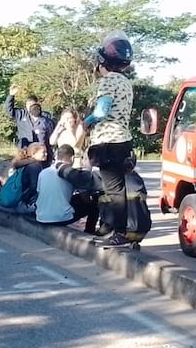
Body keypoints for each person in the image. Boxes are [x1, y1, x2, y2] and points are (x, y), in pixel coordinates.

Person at [84, 31, 136, 247]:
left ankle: (120, 233)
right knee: (116, 187)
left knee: (114, 190)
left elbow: (101, 111)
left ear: (102, 61)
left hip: (108, 141)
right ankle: (111, 227)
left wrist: (86, 122)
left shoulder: (107, 81)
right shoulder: (125, 82)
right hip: (123, 139)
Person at [35, 144, 98, 230]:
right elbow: (85, 197)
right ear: (72, 158)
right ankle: (89, 231)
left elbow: (39, 192)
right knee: (94, 206)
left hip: (40, 216)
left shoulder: (43, 172)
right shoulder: (70, 174)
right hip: (61, 218)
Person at [5, 87, 55, 159]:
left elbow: (51, 132)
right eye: (28, 104)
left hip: (41, 149)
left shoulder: (45, 116)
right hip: (25, 148)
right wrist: (11, 96)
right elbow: (9, 110)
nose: (29, 106)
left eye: (31, 104)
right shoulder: (21, 114)